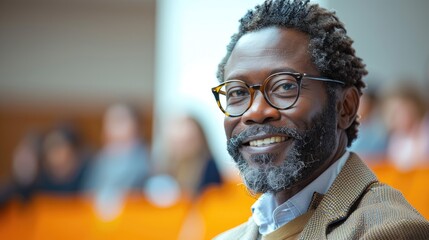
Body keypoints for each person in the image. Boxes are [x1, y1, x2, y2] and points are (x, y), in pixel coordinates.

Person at [210, 0, 429, 239]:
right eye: (238, 93)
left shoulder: (390, 230)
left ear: (345, 108)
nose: (255, 112)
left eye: (284, 86)